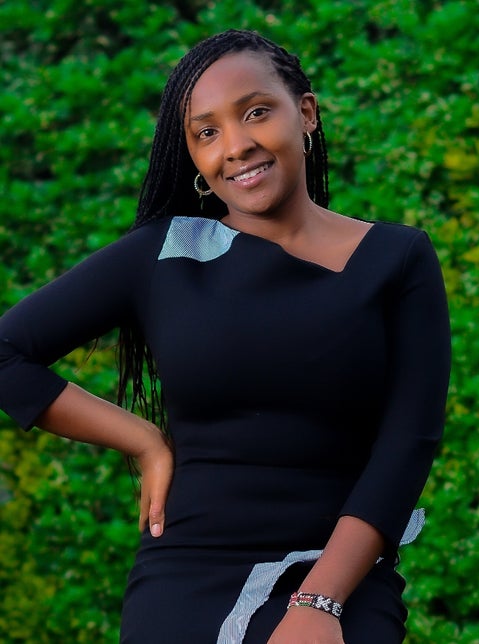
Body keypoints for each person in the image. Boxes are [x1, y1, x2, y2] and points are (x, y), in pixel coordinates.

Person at [0, 29, 450, 643]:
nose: (235, 146)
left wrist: (320, 601)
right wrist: (143, 439)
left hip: (337, 569)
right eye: (205, 132)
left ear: (307, 114)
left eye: (256, 112)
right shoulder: (162, 255)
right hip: (185, 569)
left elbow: (408, 444)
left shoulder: (397, 259)